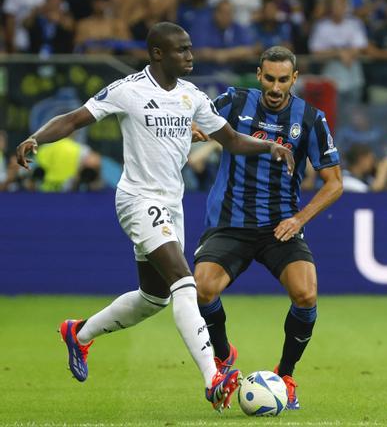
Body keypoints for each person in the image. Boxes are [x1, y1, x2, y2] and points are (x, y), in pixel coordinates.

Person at [15, 22, 294, 412]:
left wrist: (270, 147)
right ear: (158, 54)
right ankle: (213, 377)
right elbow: (76, 118)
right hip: (137, 199)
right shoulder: (128, 90)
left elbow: (229, 139)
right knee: (184, 282)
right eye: (182, 50)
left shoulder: (191, 96)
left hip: (171, 203)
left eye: (191, 48)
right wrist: (36, 138)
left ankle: (78, 333)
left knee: (154, 298)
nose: (191, 55)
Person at [192, 46, 343, 410]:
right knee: (202, 289)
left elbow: (334, 183)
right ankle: (225, 356)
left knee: (306, 295)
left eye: (283, 80)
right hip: (231, 221)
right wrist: (194, 132)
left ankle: (286, 374)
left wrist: (299, 219)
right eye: (269, 79)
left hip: (281, 225)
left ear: (295, 78)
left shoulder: (309, 118)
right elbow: (199, 124)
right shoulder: (234, 100)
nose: (276, 87)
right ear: (259, 75)